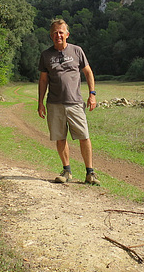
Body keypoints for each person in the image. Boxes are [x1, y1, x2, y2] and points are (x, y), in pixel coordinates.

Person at [37, 19, 100, 185]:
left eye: (61, 32)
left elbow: (88, 73)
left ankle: (90, 173)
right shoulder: (46, 55)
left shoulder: (77, 51)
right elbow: (43, 81)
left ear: (67, 34)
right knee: (60, 138)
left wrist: (92, 94)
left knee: (84, 136)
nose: (58, 35)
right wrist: (40, 102)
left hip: (75, 103)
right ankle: (66, 171)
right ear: (51, 36)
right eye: (55, 33)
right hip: (54, 103)